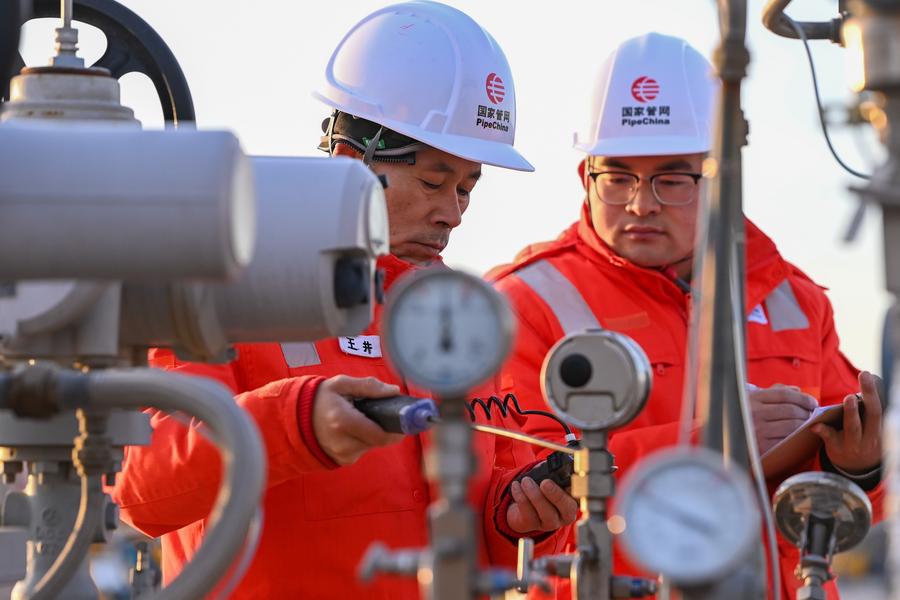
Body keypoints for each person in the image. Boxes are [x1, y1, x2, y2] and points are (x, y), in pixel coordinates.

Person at [113, 2, 576, 598]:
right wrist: (297, 425)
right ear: (352, 158)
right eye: (434, 182)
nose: (453, 213)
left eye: (467, 188)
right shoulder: (221, 283)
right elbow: (141, 488)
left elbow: (473, 516)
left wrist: (515, 518)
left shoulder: (452, 314)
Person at [487, 32, 885, 600]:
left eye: (671, 180)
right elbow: (511, 495)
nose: (641, 203)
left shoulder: (792, 297)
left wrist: (859, 470)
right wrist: (705, 443)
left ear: (719, 176)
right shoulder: (521, 304)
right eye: (618, 177)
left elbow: (859, 502)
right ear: (586, 177)